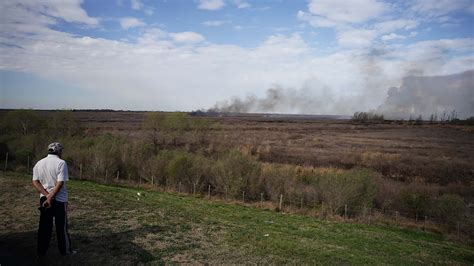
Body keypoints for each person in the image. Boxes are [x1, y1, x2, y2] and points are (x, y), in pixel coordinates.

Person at [32, 142, 75, 257]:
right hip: (60, 200)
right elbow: (60, 183)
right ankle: (65, 251)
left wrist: (46, 196)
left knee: (44, 227)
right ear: (59, 151)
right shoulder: (61, 163)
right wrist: (51, 197)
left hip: (44, 200)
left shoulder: (39, 163)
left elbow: (35, 182)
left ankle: (41, 252)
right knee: (61, 227)